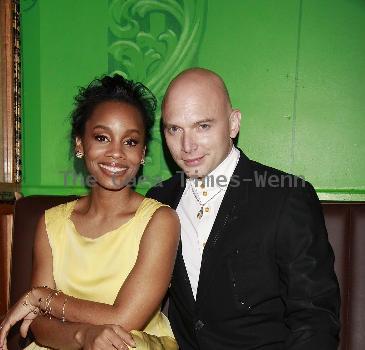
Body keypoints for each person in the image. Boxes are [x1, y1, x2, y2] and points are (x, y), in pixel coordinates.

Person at [147, 68, 341, 349]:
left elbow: (315, 318)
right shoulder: (160, 199)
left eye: (203, 126)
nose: (187, 145)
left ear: (233, 123)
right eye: (174, 129)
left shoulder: (285, 197)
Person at [0, 74, 180, 350]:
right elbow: (38, 325)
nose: (116, 153)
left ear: (142, 153)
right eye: (102, 137)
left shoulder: (160, 221)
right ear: (80, 144)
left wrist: (41, 297)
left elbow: (124, 319)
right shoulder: (51, 223)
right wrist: (83, 336)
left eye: (130, 142)